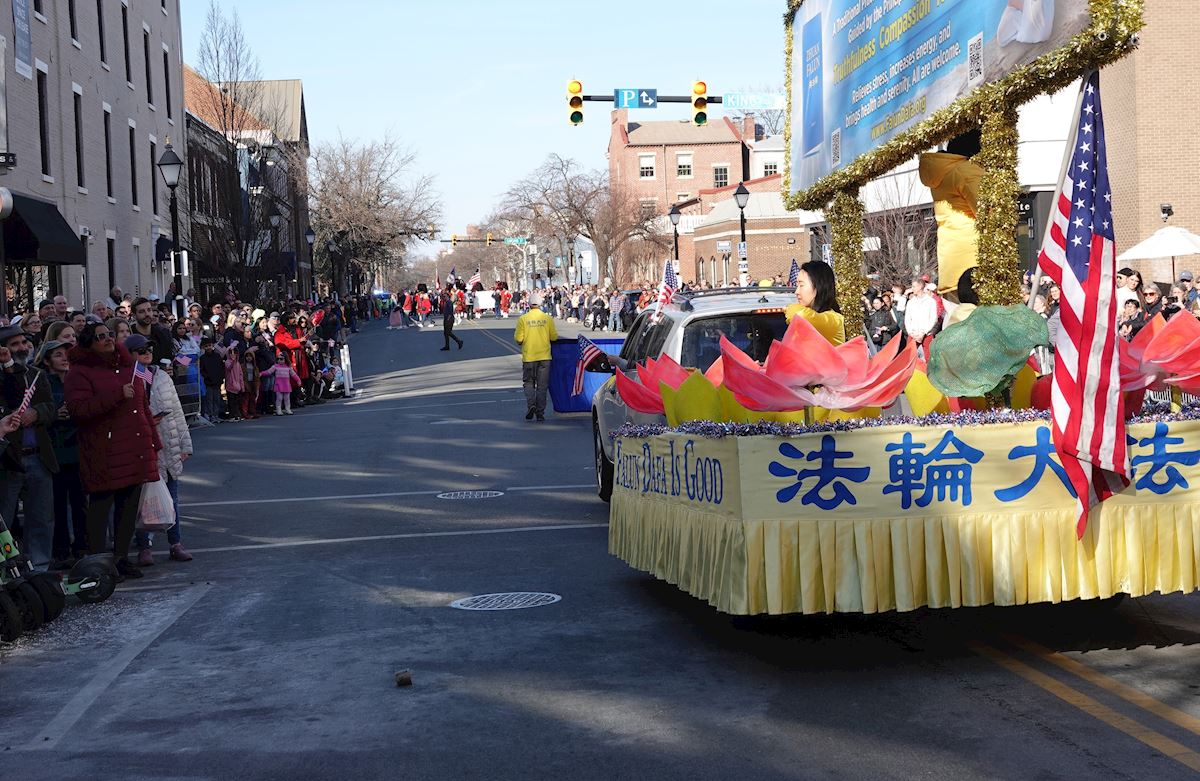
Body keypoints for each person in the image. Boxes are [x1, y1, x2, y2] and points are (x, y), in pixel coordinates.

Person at [64, 322, 161, 581]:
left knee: (128, 508)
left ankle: (120, 557)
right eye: (100, 337)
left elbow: (142, 406)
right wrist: (116, 395)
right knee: (100, 508)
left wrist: (154, 440)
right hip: (104, 449)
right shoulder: (80, 372)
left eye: (109, 334)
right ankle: (99, 562)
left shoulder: (129, 367)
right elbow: (78, 410)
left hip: (134, 446)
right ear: (89, 343)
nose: (107, 339)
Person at [127, 334, 193, 565]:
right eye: (141, 350)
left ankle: (175, 543)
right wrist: (146, 421)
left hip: (168, 444)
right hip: (142, 446)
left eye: (149, 348)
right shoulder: (127, 377)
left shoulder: (162, 376)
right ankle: (144, 546)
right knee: (144, 501)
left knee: (172, 499)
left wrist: (185, 444)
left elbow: (177, 411)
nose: (147, 352)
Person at [0, 324, 59, 570]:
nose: (22, 348)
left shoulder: (36, 374)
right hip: (8, 459)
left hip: (37, 456)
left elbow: (50, 407)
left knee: (41, 518)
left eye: (24, 343)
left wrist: (37, 413)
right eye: (14, 345)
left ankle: (40, 567)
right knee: (4, 520)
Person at [38, 339, 86, 567]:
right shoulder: (42, 383)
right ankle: (61, 549)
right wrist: (55, 414)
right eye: (58, 355)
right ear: (47, 361)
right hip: (54, 451)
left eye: (66, 353)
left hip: (78, 449)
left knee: (80, 502)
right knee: (57, 504)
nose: (64, 358)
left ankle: (82, 547)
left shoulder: (77, 381)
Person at [514, 292, 557, 422]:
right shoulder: (547, 318)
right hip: (544, 357)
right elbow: (554, 337)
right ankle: (540, 412)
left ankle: (531, 404)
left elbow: (518, 338)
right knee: (542, 386)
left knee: (528, 382)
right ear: (540, 304)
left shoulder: (523, 319)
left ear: (529, 304)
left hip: (529, 356)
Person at [786, 260, 846, 345]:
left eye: (801, 285)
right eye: (797, 285)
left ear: (818, 286)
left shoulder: (833, 320)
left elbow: (800, 315)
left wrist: (788, 308)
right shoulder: (811, 314)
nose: (797, 292)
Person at [131, 297, 175, 365]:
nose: (147, 314)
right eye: (142, 311)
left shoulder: (163, 334)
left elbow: (171, 356)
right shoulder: (129, 334)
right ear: (134, 315)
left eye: (149, 310)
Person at [198, 337, 225, 423]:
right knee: (209, 399)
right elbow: (202, 370)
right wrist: (206, 377)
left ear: (212, 345)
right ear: (203, 347)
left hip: (217, 381)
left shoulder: (217, 356)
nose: (208, 347)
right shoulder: (202, 358)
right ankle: (210, 415)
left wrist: (221, 377)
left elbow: (222, 367)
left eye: (209, 345)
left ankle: (216, 415)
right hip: (208, 382)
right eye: (206, 346)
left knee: (217, 399)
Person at [440, 286, 464, 351]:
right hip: (446, 319)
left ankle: (459, 341)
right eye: (443, 297)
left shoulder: (449, 302)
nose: (444, 298)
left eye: (445, 296)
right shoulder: (446, 302)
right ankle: (447, 346)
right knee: (446, 333)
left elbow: (450, 312)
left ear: (447, 296)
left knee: (448, 332)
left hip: (449, 319)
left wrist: (448, 319)